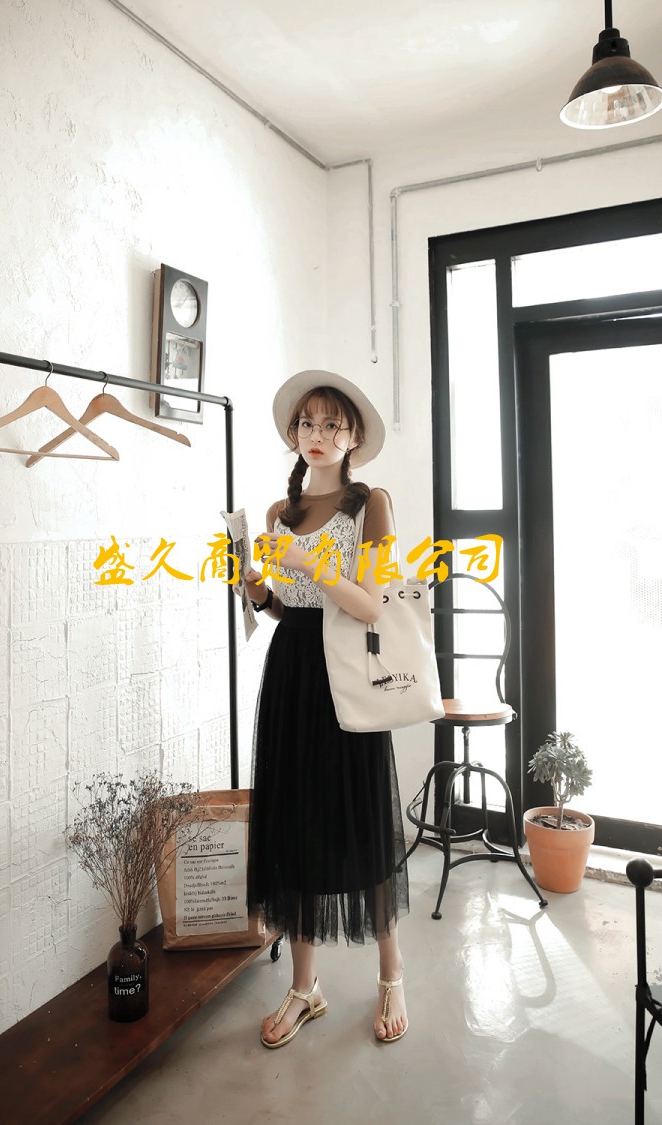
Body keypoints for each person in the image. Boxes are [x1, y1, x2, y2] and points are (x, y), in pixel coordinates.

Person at [241, 369, 409, 1048]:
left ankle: (392, 974)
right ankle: (304, 987)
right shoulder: (279, 513)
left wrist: (306, 563)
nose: (317, 434)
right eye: (307, 423)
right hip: (293, 674)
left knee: (362, 818)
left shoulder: (372, 504)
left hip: (349, 676)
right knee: (300, 825)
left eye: (331, 424)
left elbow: (370, 603)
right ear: (294, 433)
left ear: (353, 437)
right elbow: (289, 610)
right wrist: (256, 589)